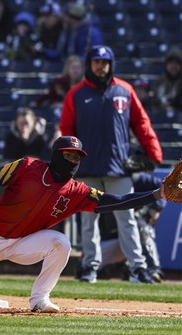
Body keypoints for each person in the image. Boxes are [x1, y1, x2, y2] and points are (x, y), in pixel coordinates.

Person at [0, 136, 168, 312]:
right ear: (56, 154)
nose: (74, 161)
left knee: (60, 243)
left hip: (24, 242)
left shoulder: (76, 191)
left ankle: (39, 299)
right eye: (69, 155)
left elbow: (118, 201)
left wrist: (156, 195)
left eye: (78, 157)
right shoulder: (28, 166)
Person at [60, 45, 163, 284]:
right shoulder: (75, 94)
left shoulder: (124, 91)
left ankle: (138, 268)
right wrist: (68, 161)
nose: (100, 65)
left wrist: (154, 154)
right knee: (88, 221)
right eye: (96, 61)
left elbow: (142, 123)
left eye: (105, 62)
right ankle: (89, 267)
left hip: (119, 168)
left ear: (111, 64)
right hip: (87, 169)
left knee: (126, 218)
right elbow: (66, 132)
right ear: (89, 64)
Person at [96, 172, 167, 283]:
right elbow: (86, 224)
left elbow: (161, 187)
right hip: (109, 241)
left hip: (133, 238)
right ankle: (117, 268)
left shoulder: (131, 177)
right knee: (96, 269)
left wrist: (156, 208)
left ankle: (152, 270)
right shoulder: (92, 181)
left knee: (141, 227)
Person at [153, 47, 182, 111]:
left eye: (177, 63)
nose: (173, 66)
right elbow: (155, 103)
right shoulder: (160, 82)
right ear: (166, 65)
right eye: (171, 63)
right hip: (161, 117)